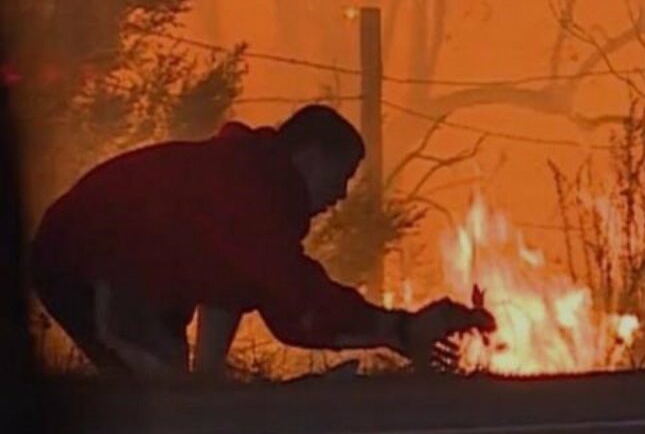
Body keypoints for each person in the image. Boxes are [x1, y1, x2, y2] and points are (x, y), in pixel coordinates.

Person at [29, 105, 494, 377]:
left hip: (107, 259)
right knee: (164, 399)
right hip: (89, 259)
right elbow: (293, 299)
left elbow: (230, 286)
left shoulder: (251, 180)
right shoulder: (254, 192)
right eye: (343, 175)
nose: (341, 194)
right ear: (311, 156)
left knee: (177, 390)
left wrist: (209, 379)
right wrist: (399, 330)